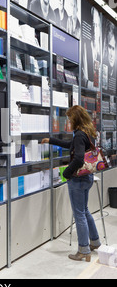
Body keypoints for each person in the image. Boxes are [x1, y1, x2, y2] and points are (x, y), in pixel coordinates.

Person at [42, 105, 101, 262]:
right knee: (85, 211)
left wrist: (67, 173)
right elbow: (71, 146)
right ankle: (95, 242)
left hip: (78, 179)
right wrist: (51, 140)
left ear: (76, 119)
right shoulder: (87, 133)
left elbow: (79, 158)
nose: (68, 121)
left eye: (69, 119)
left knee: (79, 214)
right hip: (87, 177)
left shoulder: (79, 135)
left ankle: (83, 250)